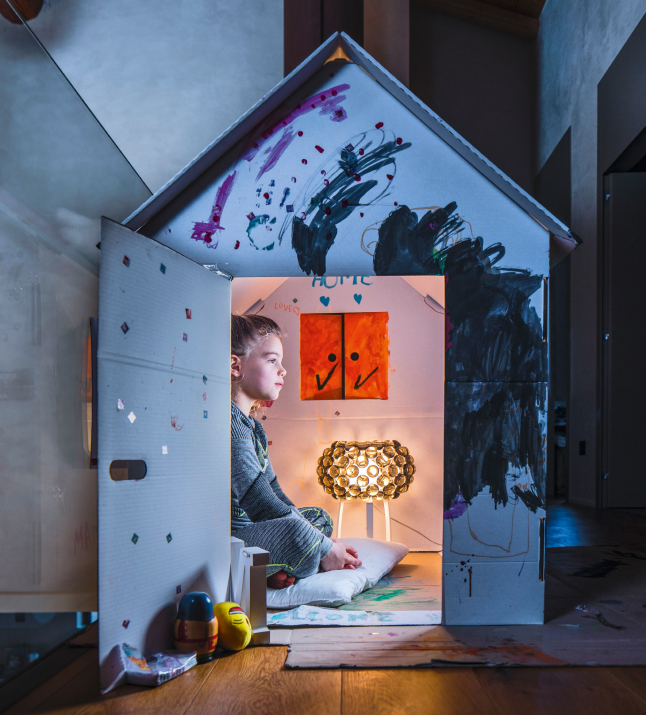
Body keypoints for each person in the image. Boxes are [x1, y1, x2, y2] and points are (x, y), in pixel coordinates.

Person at [230, 314, 361, 589]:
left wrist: (319, 540)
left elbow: (275, 492)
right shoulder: (230, 423)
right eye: (272, 360)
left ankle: (276, 569)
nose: (283, 370)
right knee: (299, 533)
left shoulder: (254, 427)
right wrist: (324, 547)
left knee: (319, 518)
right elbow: (260, 503)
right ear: (235, 366)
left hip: (256, 529)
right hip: (230, 540)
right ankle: (307, 559)